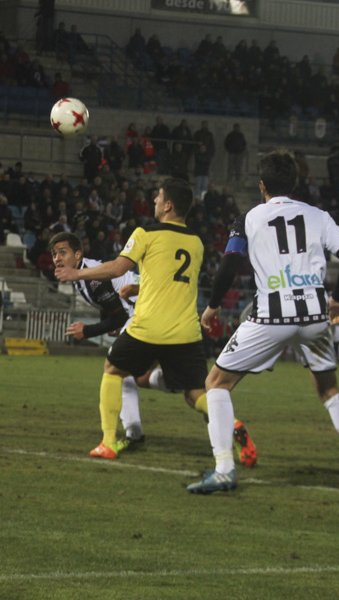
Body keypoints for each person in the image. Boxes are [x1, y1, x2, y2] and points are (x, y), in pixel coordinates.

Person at [188, 151, 339, 497]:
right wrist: (337, 298)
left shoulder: (247, 219)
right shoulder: (318, 216)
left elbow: (230, 265)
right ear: (294, 184)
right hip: (314, 316)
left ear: (262, 185)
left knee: (216, 383)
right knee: (329, 391)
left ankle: (223, 470)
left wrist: (213, 306)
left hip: (271, 316)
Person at [55, 178, 256, 465]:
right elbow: (171, 282)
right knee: (196, 393)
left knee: (112, 369)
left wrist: (76, 274)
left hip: (148, 327)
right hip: (186, 332)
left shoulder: (145, 234)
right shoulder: (196, 243)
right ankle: (233, 424)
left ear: (168, 205)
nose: (154, 202)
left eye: (158, 198)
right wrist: (138, 288)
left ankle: (108, 442)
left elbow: (116, 268)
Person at [50, 231, 205, 447]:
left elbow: (120, 315)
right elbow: (115, 309)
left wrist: (87, 331)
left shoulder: (92, 278)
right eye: (54, 254)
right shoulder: (85, 275)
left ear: (78, 256)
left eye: (62, 252)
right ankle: (178, 388)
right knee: (138, 377)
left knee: (115, 371)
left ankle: (120, 437)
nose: (57, 258)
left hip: (146, 316)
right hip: (162, 315)